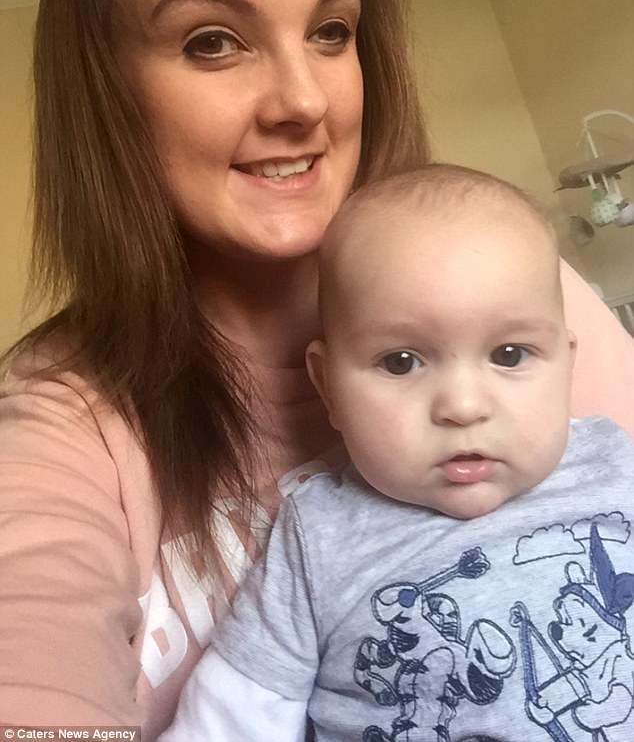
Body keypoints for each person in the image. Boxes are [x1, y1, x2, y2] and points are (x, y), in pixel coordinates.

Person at [0, 0, 632, 736]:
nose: (303, 100)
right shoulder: (61, 428)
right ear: (109, 90)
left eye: (332, 30)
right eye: (213, 41)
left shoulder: (519, 300)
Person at [161, 165, 634, 742]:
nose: (462, 406)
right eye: (401, 362)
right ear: (328, 387)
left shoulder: (614, 465)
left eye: (509, 354)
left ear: (566, 364)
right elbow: (233, 717)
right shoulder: (319, 533)